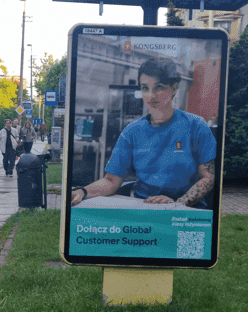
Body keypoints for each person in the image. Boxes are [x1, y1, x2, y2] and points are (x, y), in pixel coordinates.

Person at [71, 58, 216, 208]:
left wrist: (177, 204)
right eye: (145, 88)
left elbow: (208, 177)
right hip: (144, 208)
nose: (151, 96)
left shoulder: (196, 126)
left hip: (187, 212)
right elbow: (111, 180)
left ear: (174, 88)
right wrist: (82, 192)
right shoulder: (132, 132)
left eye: (159, 87)